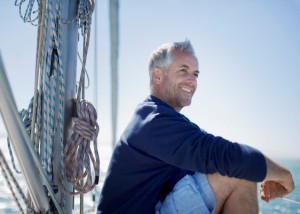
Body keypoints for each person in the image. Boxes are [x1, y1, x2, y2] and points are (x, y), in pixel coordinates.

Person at [97, 40, 294, 214]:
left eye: (195, 74)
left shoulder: (165, 120)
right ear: (157, 76)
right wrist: (282, 175)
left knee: (235, 169)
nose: (192, 81)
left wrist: (260, 170)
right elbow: (226, 156)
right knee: (239, 175)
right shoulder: (155, 121)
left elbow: (212, 155)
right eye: (183, 70)